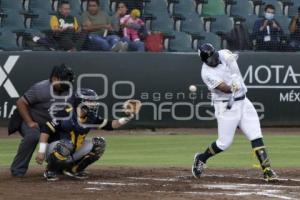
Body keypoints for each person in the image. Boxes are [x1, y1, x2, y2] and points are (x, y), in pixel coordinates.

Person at [192, 43, 278, 182]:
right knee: (224, 143)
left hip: (244, 102)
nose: (214, 60)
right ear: (204, 60)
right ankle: (201, 158)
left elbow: (232, 61)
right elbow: (224, 88)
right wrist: (233, 86)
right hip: (226, 106)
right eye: (210, 59)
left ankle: (267, 170)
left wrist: (235, 78)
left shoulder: (224, 54)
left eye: (214, 56)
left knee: (255, 135)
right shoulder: (206, 73)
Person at [35, 88, 141, 181]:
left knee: (100, 143)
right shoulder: (66, 113)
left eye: (94, 102)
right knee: (67, 145)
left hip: (73, 149)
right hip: (55, 149)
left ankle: (74, 170)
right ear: (80, 102)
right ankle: (50, 170)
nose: (94, 104)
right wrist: (41, 151)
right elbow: (46, 130)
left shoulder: (90, 117)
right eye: (90, 101)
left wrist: (128, 117)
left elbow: (110, 125)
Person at [10, 64, 74, 177]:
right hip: (32, 120)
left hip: (50, 125)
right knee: (33, 136)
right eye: (64, 80)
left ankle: (57, 167)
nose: (67, 83)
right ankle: (17, 171)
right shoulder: (40, 88)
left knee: (66, 140)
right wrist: (29, 122)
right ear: (54, 78)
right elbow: (21, 103)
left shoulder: (68, 91)